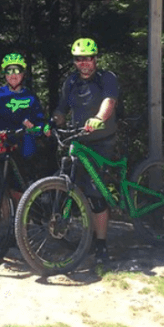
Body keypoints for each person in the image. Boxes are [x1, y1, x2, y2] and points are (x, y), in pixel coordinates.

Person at [52, 37, 119, 263]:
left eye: (88, 58)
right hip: (79, 139)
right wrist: (56, 119)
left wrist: (98, 118)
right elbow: (62, 107)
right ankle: (85, 238)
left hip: (102, 139)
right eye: (79, 59)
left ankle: (101, 245)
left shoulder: (106, 78)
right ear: (74, 62)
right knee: (71, 181)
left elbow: (109, 101)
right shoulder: (70, 81)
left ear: (95, 59)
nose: (84, 63)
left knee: (94, 191)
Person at [0, 53, 46, 201]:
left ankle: (23, 218)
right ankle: (5, 222)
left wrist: (34, 126)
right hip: (3, 143)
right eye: (9, 71)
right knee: (1, 186)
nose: (13, 75)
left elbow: (40, 121)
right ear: (4, 74)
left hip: (24, 146)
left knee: (19, 187)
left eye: (17, 70)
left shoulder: (31, 97)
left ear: (23, 73)